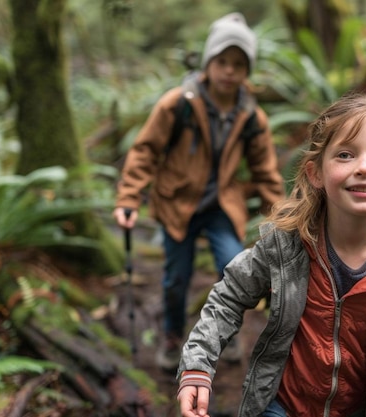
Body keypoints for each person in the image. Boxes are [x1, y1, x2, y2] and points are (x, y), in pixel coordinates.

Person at [175, 93, 366, 417]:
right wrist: (197, 366)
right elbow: (229, 296)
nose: (364, 168)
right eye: (345, 154)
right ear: (316, 173)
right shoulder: (286, 245)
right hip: (282, 405)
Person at [113, 12, 284, 373]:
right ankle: (174, 335)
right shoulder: (179, 103)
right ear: (209, 62)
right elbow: (145, 151)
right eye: (222, 61)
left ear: (247, 70)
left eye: (239, 64)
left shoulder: (251, 115)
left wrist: (282, 219)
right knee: (177, 278)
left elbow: (266, 172)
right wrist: (129, 198)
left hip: (222, 205)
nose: (229, 71)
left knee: (235, 268)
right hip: (178, 204)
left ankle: (227, 332)